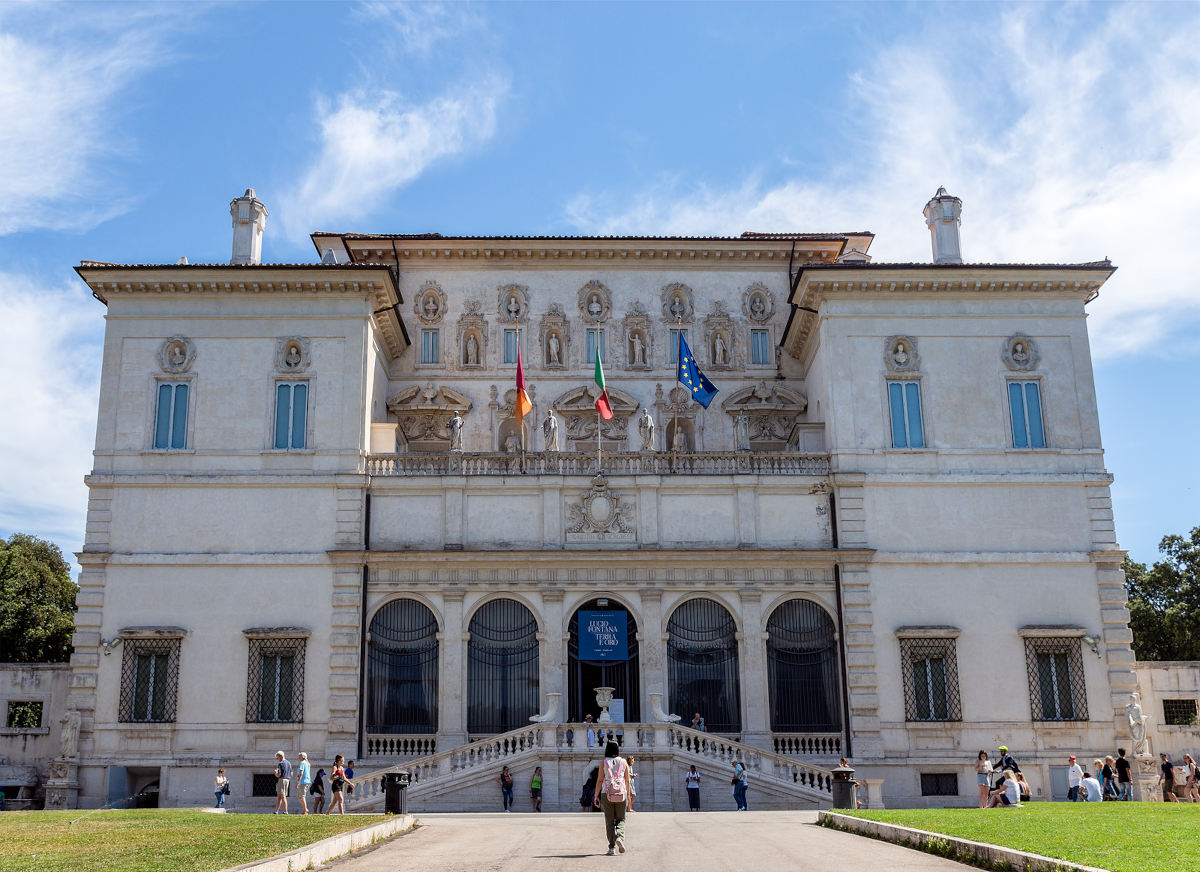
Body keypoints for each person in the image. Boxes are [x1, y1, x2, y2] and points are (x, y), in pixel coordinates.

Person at [593, 740, 633, 855]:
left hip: (607, 793)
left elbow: (600, 780)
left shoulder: (604, 762)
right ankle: (620, 837)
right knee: (621, 819)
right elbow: (627, 780)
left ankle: (611, 848)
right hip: (621, 793)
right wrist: (629, 795)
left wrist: (596, 795)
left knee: (609, 821)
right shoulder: (624, 762)